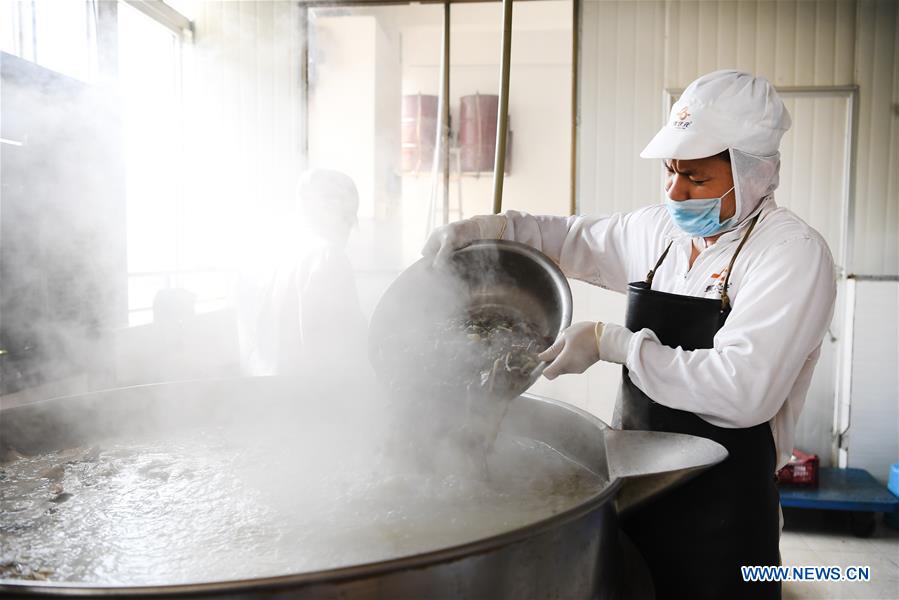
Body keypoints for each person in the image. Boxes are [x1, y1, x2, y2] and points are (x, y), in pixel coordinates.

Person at [423, 70, 836, 599]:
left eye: (697, 178)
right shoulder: (660, 232)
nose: (675, 191)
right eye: (669, 170)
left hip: (726, 517)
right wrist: (491, 229)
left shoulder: (791, 255)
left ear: (752, 174)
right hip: (641, 487)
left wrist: (611, 343)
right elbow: (569, 238)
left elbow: (742, 393)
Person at [240, 169, 367, 376]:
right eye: (348, 219)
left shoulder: (272, 254)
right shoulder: (327, 256)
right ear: (335, 211)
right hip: (308, 393)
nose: (348, 231)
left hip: (266, 390)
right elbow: (346, 342)